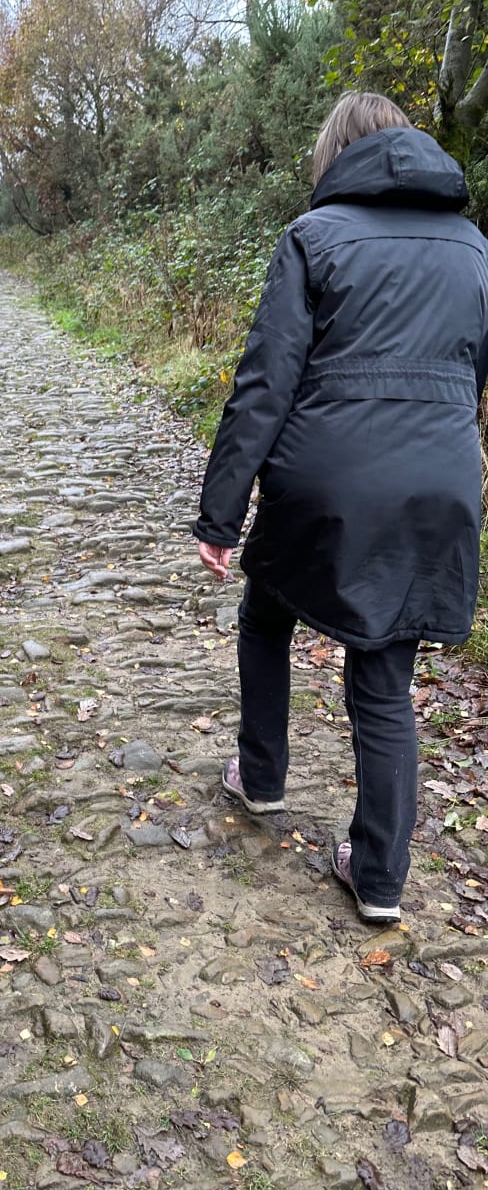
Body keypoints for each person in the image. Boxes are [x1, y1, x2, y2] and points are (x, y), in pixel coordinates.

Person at [193, 91, 488, 924]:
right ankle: (381, 877)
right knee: (385, 673)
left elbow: (264, 387)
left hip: (322, 481)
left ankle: (262, 776)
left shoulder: (312, 238)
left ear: (335, 157)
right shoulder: (474, 248)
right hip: (439, 481)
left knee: (266, 609)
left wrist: (221, 514)